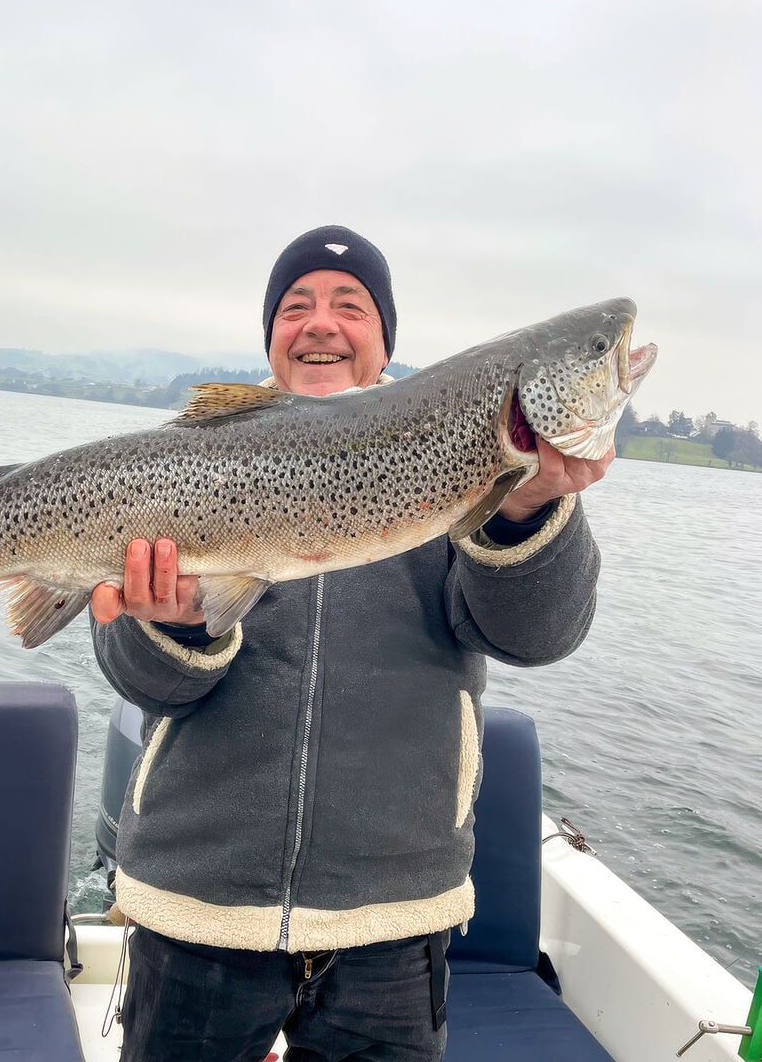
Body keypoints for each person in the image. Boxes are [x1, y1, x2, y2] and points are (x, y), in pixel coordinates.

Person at [89, 225, 612, 1061]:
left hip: (393, 915)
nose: (320, 323)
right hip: (197, 898)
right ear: (270, 334)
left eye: (350, 307)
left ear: (384, 339)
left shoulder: (470, 458)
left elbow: (535, 637)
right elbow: (148, 684)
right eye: (295, 306)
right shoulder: (181, 467)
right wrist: (176, 621)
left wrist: (526, 508)